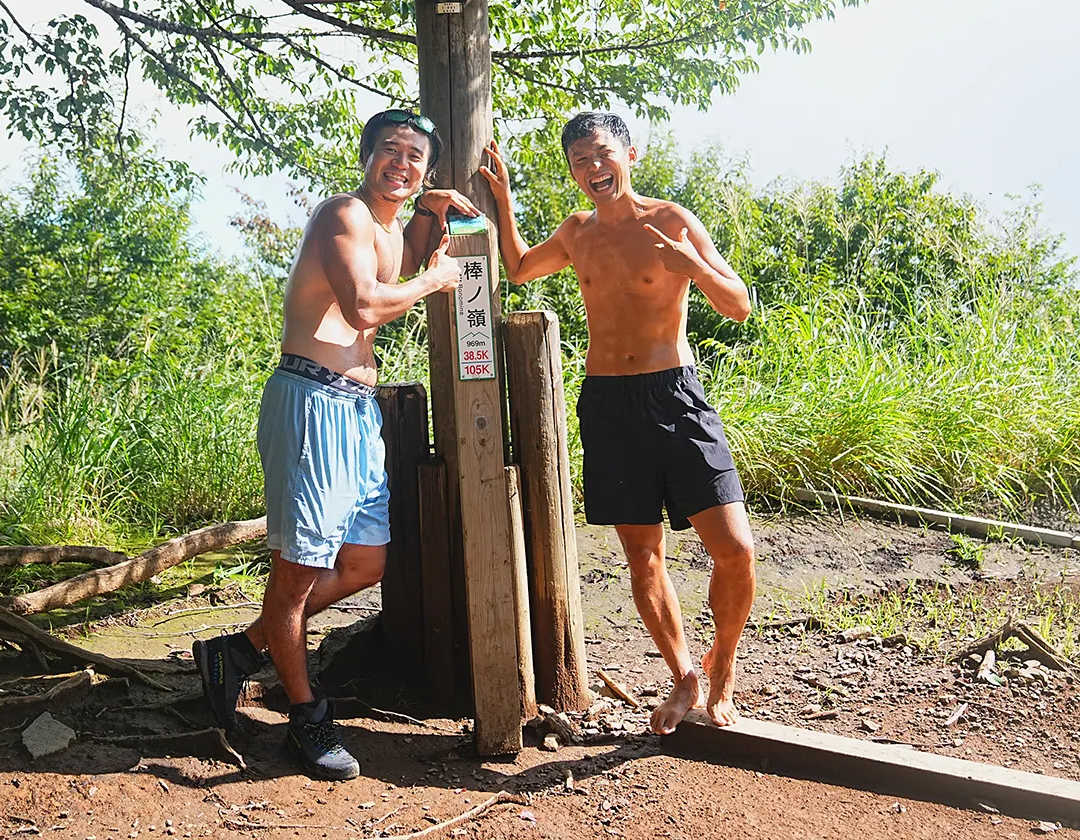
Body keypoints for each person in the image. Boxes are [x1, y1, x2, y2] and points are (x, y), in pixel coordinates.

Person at [197, 108, 472, 780]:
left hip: (356, 411)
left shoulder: (386, 228)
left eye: (414, 156)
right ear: (366, 156)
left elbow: (418, 253)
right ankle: (308, 718)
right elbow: (366, 307)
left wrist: (441, 214)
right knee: (295, 574)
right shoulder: (342, 215)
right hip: (311, 399)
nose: (400, 164)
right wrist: (437, 281)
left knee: (364, 562)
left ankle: (236, 654)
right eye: (389, 150)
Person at [478, 111, 755, 732]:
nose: (592, 168)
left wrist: (694, 267)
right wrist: (502, 200)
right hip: (608, 400)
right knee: (641, 553)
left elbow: (737, 305)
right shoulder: (577, 232)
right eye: (579, 160)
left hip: (675, 395)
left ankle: (724, 668)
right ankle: (685, 673)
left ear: (630, 154)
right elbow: (521, 268)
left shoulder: (673, 222)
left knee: (735, 550)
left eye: (601, 154)